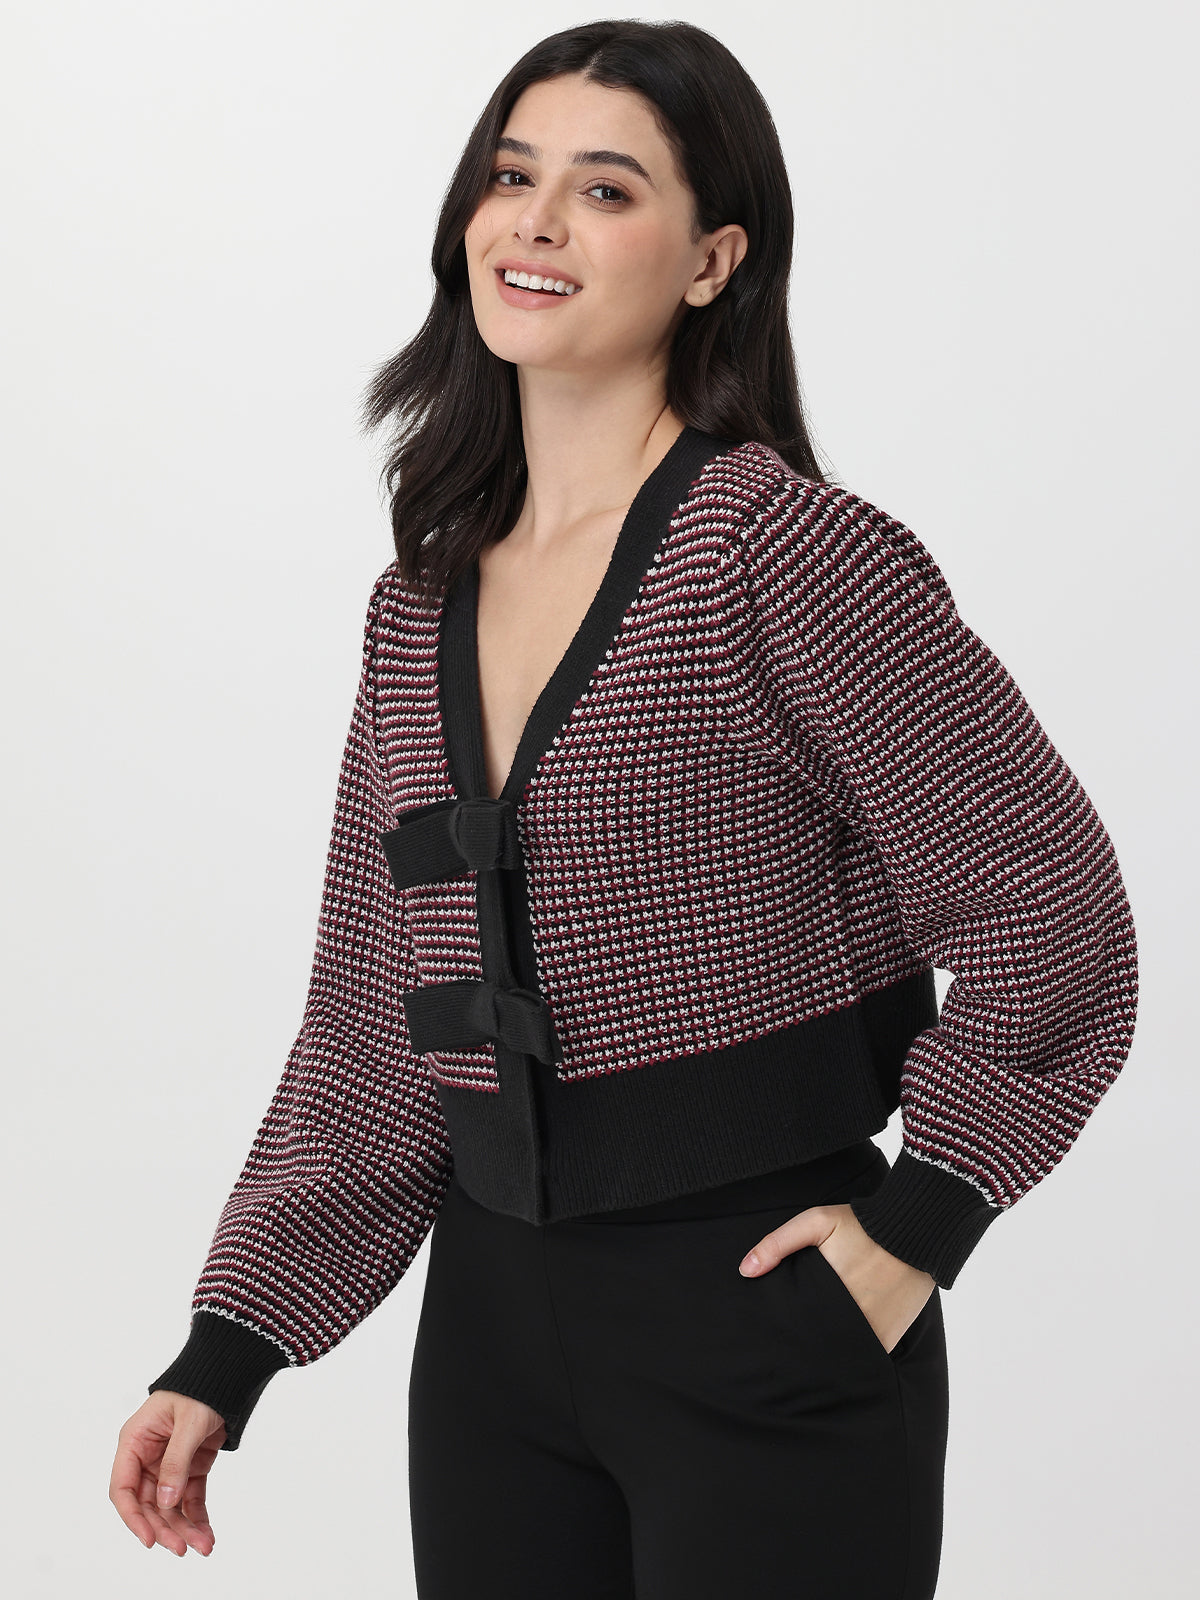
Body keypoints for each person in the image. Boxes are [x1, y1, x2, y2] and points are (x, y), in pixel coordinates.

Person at [109, 19, 1139, 1597]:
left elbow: (1050, 912)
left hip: (762, 1310)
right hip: (491, 1342)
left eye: (604, 191)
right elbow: (376, 1028)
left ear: (714, 258)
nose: (534, 220)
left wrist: (919, 1222)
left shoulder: (781, 556)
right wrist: (227, 1351)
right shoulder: (417, 607)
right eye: (512, 177)